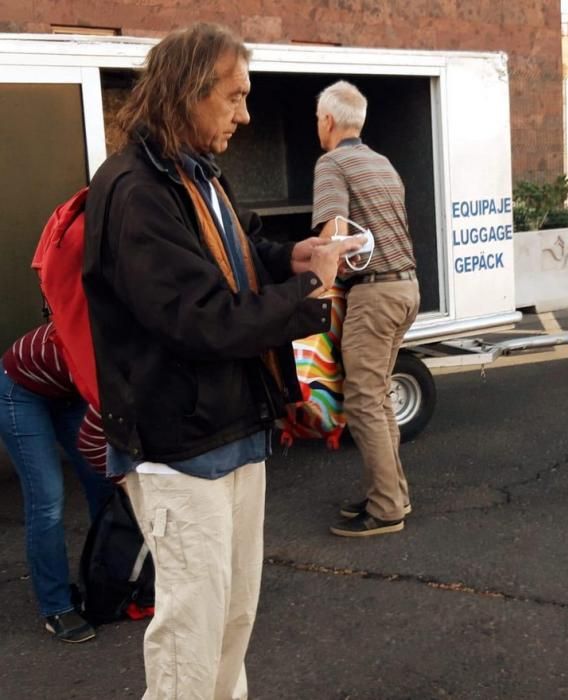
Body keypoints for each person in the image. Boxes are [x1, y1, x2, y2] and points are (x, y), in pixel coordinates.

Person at [82, 23, 360, 699]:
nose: (245, 114)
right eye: (234, 97)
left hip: (232, 428)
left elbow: (240, 255)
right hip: (180, 445)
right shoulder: (136, 190)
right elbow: (202, 320)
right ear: (186, 92)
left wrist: (293, 257)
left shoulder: (194, 173)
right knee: (191, 632)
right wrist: (311, 290)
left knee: (231, 619)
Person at [311, 80, 419, 538]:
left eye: (319, 120)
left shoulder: (332, 162)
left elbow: (334, 234)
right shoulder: (382, 161)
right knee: (375, 398)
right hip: (406, 287)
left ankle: (388, 507)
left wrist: (314, 290)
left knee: (362, 401)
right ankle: (392, 493)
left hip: (374, 295)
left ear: (329, 121)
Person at [0, 323, 114, 643]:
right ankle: (56, 606)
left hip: (69, 389)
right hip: (19, 391)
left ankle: (106, 584)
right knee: (47, 499)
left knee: (103, 486)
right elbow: (103, 430)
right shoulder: (107, 338)